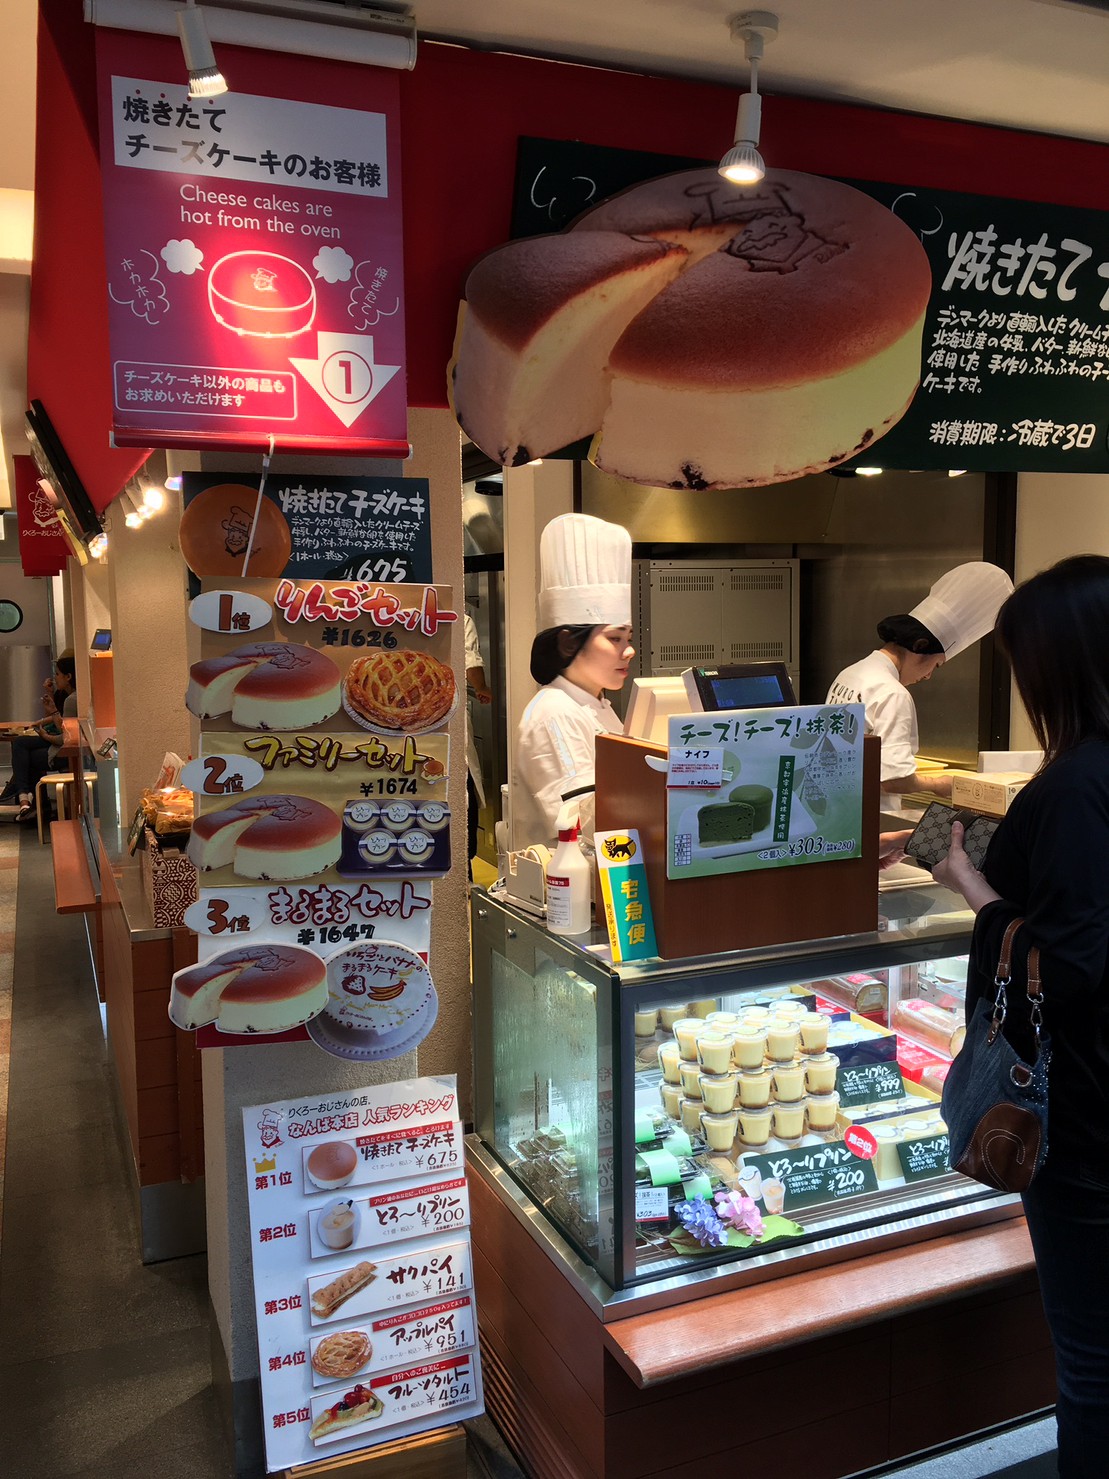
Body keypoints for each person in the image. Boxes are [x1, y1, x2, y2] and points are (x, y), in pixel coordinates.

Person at [933, 554, 1109, 1477]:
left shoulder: (1077, 785)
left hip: (1084, 1121)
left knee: (1092, 1365)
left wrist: (970, 883)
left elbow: (1069, 965)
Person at [827, 562, 1013, 800]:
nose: (928, 676)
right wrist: (938, 784)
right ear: (920, 647)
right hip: (872, 811)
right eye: (936, 665)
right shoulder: (892, 693)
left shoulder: (850, 673)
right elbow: (894, 779)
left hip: (839, 805)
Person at [513, 513, 633, 850]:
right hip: (566, 874)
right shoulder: (555, 713)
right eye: (615, 638)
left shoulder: (594, 705)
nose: (629, 651)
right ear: (568, 642)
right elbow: (579, 819)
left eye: (629, 638)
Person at [10, 656, 77, 822]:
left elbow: (65, 737)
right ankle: (30, 801)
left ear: (68, 676)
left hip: (65, 750)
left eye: (58, 674)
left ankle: (29, 801)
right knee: (21, 746)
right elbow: (60, 723)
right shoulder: (67, 696)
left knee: (25, 755)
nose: (55, 677)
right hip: (61, 742)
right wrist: (49, 712)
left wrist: (46, 735)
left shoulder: (72, 700)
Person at [463, 609, 492, 872]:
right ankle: (465, 870)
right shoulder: (460, 619)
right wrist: (481, 688)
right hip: (448, 723)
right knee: (462, 793)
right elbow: (470, 661)